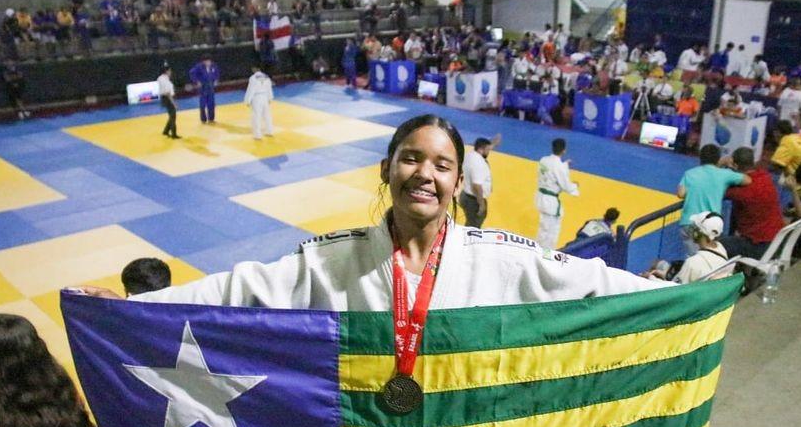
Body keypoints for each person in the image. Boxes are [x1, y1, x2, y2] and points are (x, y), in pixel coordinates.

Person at [78, 115, 671, 312]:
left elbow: (584, 278)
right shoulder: (331, 261)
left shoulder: (496, 256)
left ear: (456, 183)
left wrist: (672, 293)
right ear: (387, 169)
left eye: (442, 165)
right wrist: (140, 306)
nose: (425, 174)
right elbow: (240, 289)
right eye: (411, 159)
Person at [676, 144, 749, 255]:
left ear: (700, 158)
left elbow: (681, 193)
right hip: (710, 225)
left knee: (693, 256)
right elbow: (747, 180)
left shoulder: (689, 173)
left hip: (688, 222)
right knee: (709, 255)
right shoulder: (724, 174)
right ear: (718, 159)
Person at [719, 147, 784, 259]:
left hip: (759, 246)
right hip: (776, 240)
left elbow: (715, 189)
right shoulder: (765, 176)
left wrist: (719, 164)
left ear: (735, 166)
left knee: (715, 245)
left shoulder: (741, 191)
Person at [535, 138, 580, 250]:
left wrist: (565, 165)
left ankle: (538, 250)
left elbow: (553, 172)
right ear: (564, 150)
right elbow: (566, 186)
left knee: (543, 228)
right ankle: (545, 254)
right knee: (550, 232)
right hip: (550, 202)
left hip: (540, 197)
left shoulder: (543, 160)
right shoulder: (559, 166)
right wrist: (575, 186)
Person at [671, 212, 732, 284]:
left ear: (699, 233)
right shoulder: (722, 249)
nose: (693, 230)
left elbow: (676, 287)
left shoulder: (692, 263)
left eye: (696, 228)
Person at [460, 134, 501, 228]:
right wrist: (481, 204)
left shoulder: (470, 155)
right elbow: (477, 186)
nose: (489, 152)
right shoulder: (478, 163)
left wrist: (493, 144)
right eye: (487, 150)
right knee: (473, 226)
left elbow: (484, 148)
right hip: (474, 201)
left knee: (471, 222)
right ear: (481, 149)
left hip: (465, 195)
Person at [244, 64, 275, 140]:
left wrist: (248, 100)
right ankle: (269, 131)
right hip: (265, 97)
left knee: (256, 116)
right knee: (267, 115)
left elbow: (251, 89)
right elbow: (269, 88)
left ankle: (257, 135)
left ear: (254, 69)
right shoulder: (266, 77)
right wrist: (270, 98)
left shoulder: (253, 78)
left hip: (257, 97)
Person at [188, 55, 220, 124]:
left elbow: (217, 73)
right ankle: (203, 119)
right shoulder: (199, 67)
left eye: (209, 61)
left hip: (211, 87)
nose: (209, 63)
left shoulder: (213, 65)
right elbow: (192, 73)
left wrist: (216, 80)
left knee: (211, 103)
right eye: (207, 61)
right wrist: (197, 81)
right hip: (203, 87)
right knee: (202, 104)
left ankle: (211, 118)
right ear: (203, 61)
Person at [157, 65, 180, 139]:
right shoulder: (165, 80)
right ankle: (173, 134)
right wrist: (174, 103)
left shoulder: (161, 78)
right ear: (166, 71)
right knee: (173, 116)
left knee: (171, 115)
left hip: (165, 98)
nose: (171, 72)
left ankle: (166, 131)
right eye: (169, 70)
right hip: (167, 98)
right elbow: (168, 93)